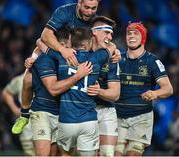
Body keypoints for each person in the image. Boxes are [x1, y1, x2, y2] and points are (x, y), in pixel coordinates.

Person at [11, 0, 102, 132]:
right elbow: (44, 36)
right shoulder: (64, 12)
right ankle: (24, 115)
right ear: (79, 3)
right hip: (59, 52)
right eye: (86, 7)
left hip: (80, 60)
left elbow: (103, 41)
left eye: (93, 8)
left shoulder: (96, 21)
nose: (90, 12)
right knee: (27, 78)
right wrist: (36, 57)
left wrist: (113, 49)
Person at [38, 27, 116, 156]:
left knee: (65, 155)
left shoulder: (61, 57)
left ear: (70, 41)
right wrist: (109, 47)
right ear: (87, 43)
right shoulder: (96, 58)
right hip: (89, 119)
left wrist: (62, 49)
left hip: (66, 119)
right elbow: (112, 46)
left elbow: (40, 42)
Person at [29, 27, 93, 156]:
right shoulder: (45, 59)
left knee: (59, 154)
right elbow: (53, 89)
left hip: (63, 112)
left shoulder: (72, 59)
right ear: (62, 45)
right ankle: (24, 112)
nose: (74, 45)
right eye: (71, 42)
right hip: (43, 111)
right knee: (43, 154)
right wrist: (78, 76)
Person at [114, 22, 173, 156]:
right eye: (129, 33)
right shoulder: (117, 59)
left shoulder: (152, 61)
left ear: (143, 38)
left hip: (141, 117)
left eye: (136, 33)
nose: (131, 36)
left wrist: (155, 93)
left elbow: (168, 89)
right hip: (117, 116)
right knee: (116, 154)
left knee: (132, 154)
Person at [86, 16, 120, 156]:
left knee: (107, 153)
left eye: (111, 33)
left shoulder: (112, 58)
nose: (110, 37)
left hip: (106, 110)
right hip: (83, 109)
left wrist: (99, 91)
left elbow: (115, 94)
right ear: (94, 31)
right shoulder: (78, 52)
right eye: (107, 32)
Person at [2, 73, 35, 156]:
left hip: (47, 124)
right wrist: (15, 110)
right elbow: (6, 92)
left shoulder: (49, 76)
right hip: (28, 128)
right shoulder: (20, 79)